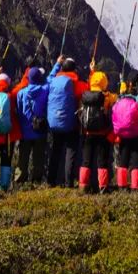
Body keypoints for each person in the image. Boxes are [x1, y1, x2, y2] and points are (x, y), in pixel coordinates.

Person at [47, 56, 88, 187]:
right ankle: (68, 182)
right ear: (74, 69)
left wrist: (56, 64)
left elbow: (48, 79)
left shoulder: (53, 81)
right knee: (70, 153)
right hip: (71, 123)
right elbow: (88, 88)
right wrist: (92, 72)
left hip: (54, 122)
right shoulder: (76, 83)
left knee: (56, 151)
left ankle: (51, 181)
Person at [78, 62, 116, 193]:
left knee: (86, 160)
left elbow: (91, 83)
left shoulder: (86, 95)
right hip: (103, 134)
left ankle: (83, 185)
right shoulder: (106, 97)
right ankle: (103, 187)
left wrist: (92, 72)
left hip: (88, 132)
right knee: (102, 161)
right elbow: (116, 99)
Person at [14, 63, 50, 185]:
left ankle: (20, 182)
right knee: (38, 159)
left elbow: (19, 111)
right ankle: (36, 182)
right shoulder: (45, 90)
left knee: (22, 159)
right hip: (39, 131)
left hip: (25, 132)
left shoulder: (21, 93)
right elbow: (49, 80)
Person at [113, 71, 138, 192]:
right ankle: (135, 187)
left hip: (123, 132)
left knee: (123, 158)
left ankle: (122, 186)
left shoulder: (121, 95)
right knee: (136, 160)